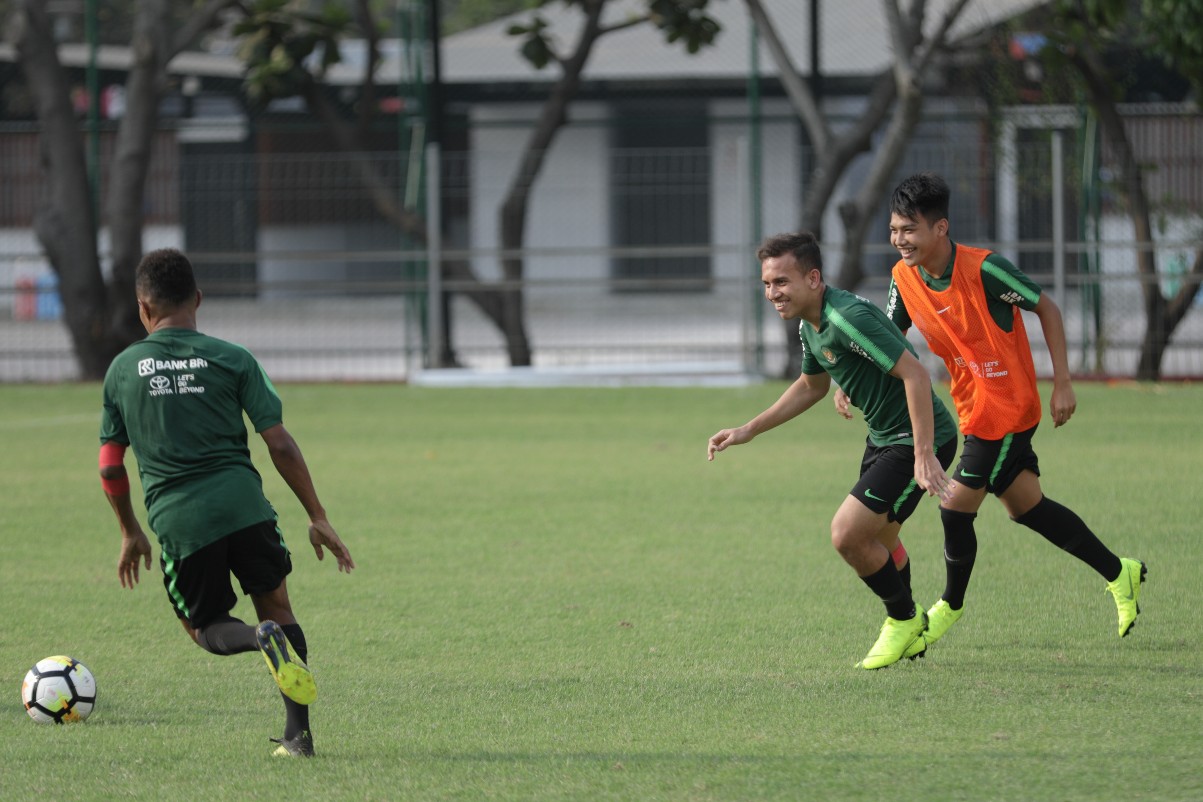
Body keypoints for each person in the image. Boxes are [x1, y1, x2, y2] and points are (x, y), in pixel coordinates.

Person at [863, 171, 1145, 651]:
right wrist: (853, 384)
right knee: (1026, 507)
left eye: (909, 230)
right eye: (893, 230)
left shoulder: (985, 269)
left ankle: (949, 606)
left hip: (1008, 408)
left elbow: (1047, 309)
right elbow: (888, 340)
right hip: (972, 406)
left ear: (940, 228)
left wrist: (1063, 383)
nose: (899, 240)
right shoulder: (902, 278)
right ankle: (1122, 573)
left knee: (953, 508)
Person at [98, 248, 355, 757]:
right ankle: (298, 737)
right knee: (280, 608)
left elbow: (110, 465)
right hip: (247, 508)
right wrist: (317, 516)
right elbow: (278, 443)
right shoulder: (233, 357)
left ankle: (256, 639)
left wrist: (129, 530)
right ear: (198, 298)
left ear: (143, 308)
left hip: (182, 521)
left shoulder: (123, 369)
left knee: (206, 627)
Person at [708, 232, 958, 670]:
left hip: (919, 438)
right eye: (767, 284)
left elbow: (916, 376)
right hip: (883, 437)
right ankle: (911, 628)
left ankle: (903, 619)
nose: (773, 293)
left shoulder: (847, 317)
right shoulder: (811, 324)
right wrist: (749, 429)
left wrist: (923, 454)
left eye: (781, 282)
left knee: (846, 535)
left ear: (814, 278)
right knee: (879, 540)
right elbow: (812, 386)